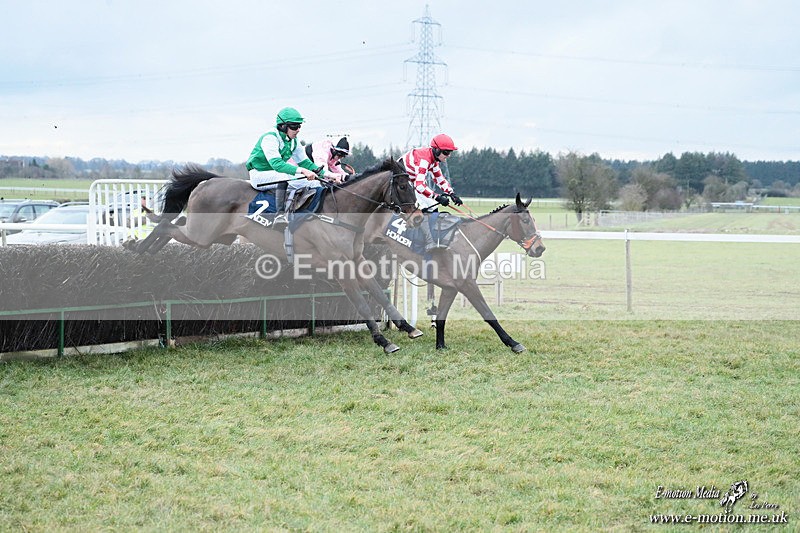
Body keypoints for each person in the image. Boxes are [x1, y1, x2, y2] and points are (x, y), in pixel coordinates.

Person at [245, 107, 325, 228]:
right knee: (286, 177)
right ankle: (280, 215)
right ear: (282, 126)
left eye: (299, 126)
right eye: (294, 126)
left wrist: (330, 175)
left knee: (316, 184)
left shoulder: (294, 141)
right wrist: (303, 171)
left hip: (275, 174)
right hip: (259, 175)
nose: (298, 130)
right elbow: (277, 164)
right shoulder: (270, 137)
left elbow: (305, 163)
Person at [399, 133, 463, 251]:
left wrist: (451, 194)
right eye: (446, 152)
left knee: (433, 207)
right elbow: (419, 186)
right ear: (436, 150)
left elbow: (439, 178)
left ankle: (433, 237)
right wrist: (438, 197)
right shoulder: (424, 160)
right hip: (402, 183)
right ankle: (428, 242)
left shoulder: (433, 159)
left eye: (450, 152)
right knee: (424, 206)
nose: (448, 155)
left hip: (411, 182)